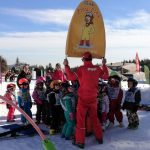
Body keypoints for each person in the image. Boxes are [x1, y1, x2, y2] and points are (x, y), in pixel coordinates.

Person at [63, 51, 109, 149]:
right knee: (95, 118)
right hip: (93, 98)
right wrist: (104, 64)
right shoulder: (97, 68)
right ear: (91, 59)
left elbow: (70, 77)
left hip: (83, 99)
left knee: (80, 120)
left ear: (83, 59)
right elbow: (106, 76)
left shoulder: (81, 69)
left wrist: (66, 66)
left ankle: (80, 141)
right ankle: (99, 138)